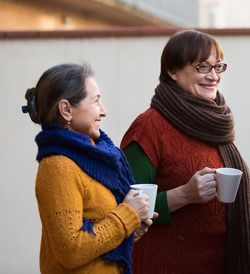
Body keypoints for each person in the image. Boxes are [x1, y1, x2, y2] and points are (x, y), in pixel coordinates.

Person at [120, 29, 250, 273]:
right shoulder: (149, 127)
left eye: (218, 67)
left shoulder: (215, 123)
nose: (213, 76)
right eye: (202, 67)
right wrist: (184, 195)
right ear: (172, 71)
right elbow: (124, 209)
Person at [23, 63, 156, 274]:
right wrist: (127, 215)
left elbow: (102, 229)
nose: (103, 111)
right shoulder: (58, 167)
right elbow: (71, 251)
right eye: (96, 101)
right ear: (66, 109)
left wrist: (133, 227)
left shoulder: (97, 155)